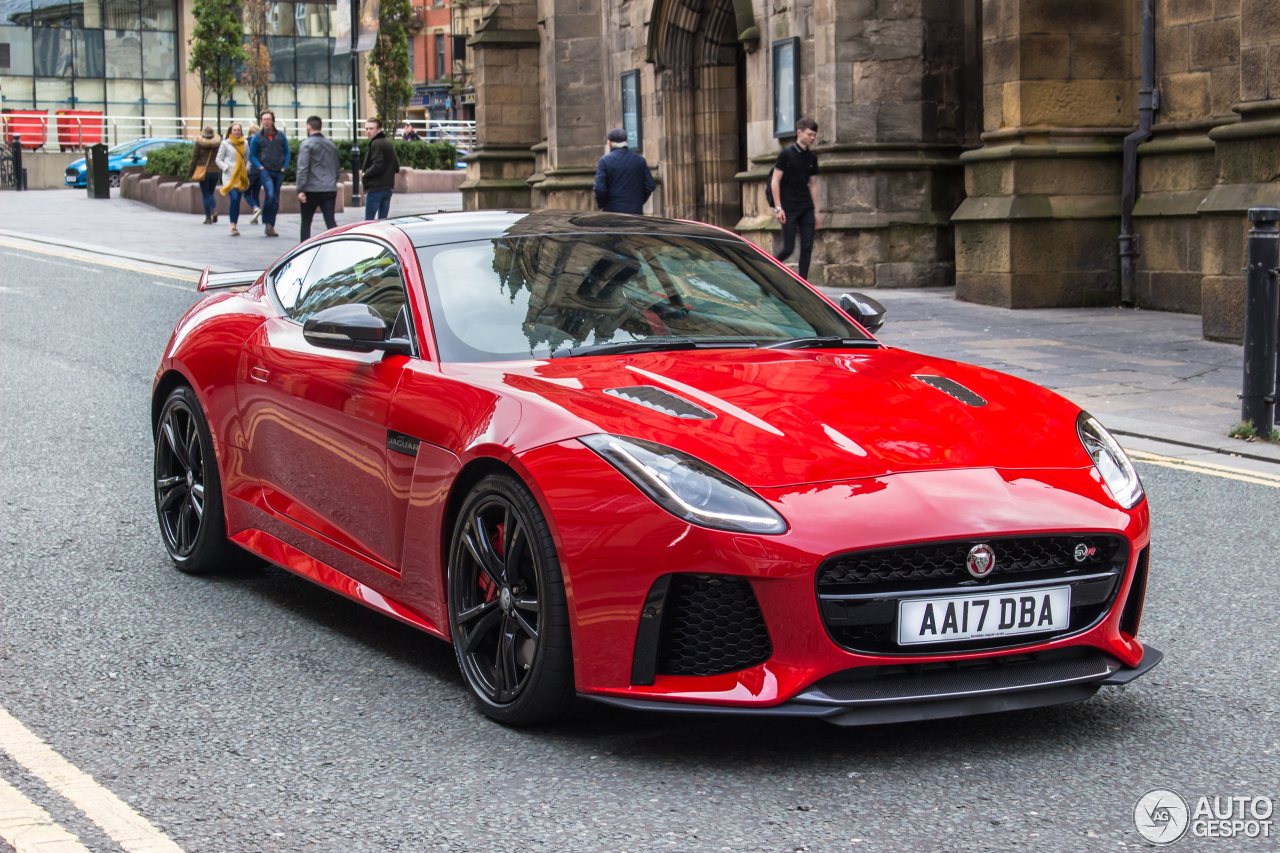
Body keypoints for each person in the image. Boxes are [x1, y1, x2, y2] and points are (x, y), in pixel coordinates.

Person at [770, 116, 821, 280]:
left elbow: (813, 184)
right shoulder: (786, 154)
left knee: (807, 247)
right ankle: (765, 271)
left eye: (814, 135)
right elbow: (775, 181)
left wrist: (817, 212)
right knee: (788, 248)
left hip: (806, 207)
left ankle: (803, 282)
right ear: (799, 133)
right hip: (789, 207)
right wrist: (778, 208)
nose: (812, 138)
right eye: (809, 134)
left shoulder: (812, 158)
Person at [296, 115, 341, 242]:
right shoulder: (331, 145)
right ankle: (338, 245)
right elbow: (337, 169)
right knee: (331, 223)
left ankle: (304, 250)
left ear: (308, 127)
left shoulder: (306, 144)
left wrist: (300, 189)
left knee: (306, 223)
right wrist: (331, 182)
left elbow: (302, 168)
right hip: (329, 189)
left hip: (311, 189)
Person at [593, 128, 654, 215]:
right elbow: (650, 185)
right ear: (626, 140)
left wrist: (602, 205)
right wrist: (638, 202)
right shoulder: (640, 160)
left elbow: (599, 189)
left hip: (612, 213)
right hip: (635, 213)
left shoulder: (604, 161)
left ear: (609, 143)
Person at [249, 110, 290, 237]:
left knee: (276, 199)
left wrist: (284, 167)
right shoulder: (257, 137)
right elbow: (252, 155)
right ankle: (267, 222)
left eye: (268, 119)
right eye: (264, 119)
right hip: (265, 170)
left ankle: (271, 225)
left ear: (273, 121)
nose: (266, 122)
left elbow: (287, 152)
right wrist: (260, 167)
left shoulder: (280, 136)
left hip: (278, 171)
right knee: (270, 194)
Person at [215, 122, 256, 237]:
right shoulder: (225, 144)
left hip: (241, 176)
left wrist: (246, 169)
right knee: (233, 198)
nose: (236, 132)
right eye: (234, 130)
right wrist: (226, 167)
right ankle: (232, 225)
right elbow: (218, 160)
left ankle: (235, 225)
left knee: (237, 200)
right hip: (230, 176)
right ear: (230, 131)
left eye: (238, 130)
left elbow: (248, 158)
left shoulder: (245, 143)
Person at [362, 118, 399, 220]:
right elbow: (396, 167)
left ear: (379, 130)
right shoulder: (388, 143)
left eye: (371, 129)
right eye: (366, 129)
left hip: (376, 188)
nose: (368, 132)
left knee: (369, 221)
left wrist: (365, 174)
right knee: (383, 221)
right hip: (387, 188)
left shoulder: (376, 144)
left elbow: (378, 165)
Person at [189, 127, 222, 225]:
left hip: (203, 172)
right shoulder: (217, 144)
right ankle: (214, 210)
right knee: (211, 192)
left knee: (205, 194)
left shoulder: (199, 144)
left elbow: (194, 160)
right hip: (215, 171)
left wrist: (191, 173)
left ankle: (208, 218)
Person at [244, 123, 263, 225]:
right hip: (259, 171)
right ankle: (255, 216)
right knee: (256, 194)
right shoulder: (261, 142)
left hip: (250, 171)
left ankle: (255, 209)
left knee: (246, 193)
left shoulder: (246, 142)